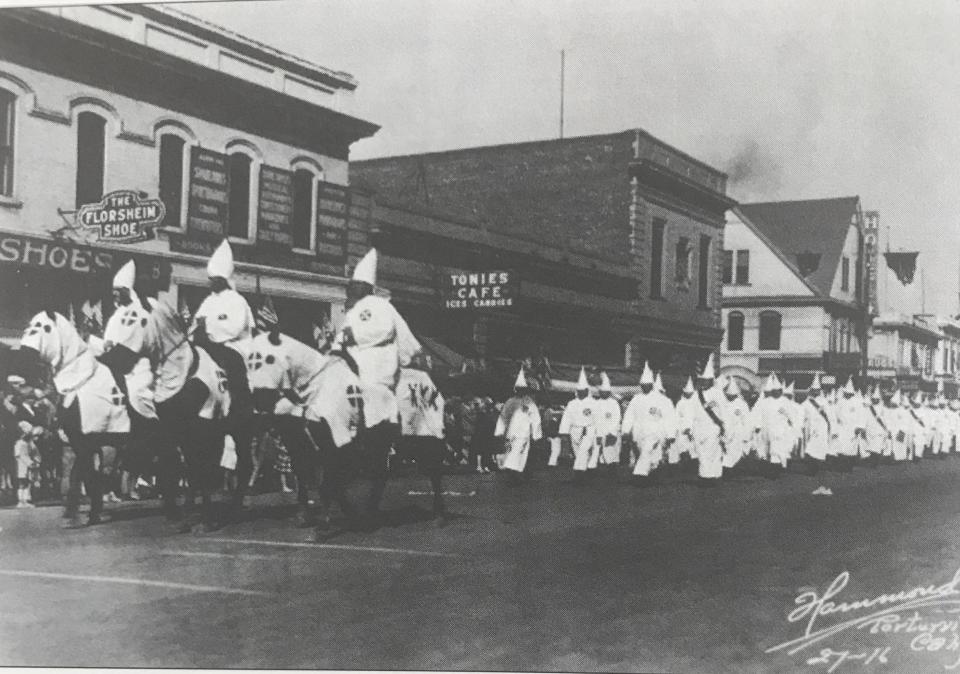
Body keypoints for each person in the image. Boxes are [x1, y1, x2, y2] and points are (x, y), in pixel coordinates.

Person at [333, 248, 421, 517]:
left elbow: (404, 343)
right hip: (350, 371)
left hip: (377, 376)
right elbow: (339, 341)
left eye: (356, 284)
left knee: (379, 402)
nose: (352, 288)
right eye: (351, 284)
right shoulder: (350, 312)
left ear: (367, 286)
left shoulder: (385, 307)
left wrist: (401, 358)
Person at [396, 356, 447, 519]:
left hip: (408, 427)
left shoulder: (399, 376)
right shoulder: (423, 377)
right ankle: (438, 501)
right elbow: (437, 400)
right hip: (423, 428)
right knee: (434, 470)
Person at [621, 361, 676, 484]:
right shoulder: (636, 399)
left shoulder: (663, 400)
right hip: (639, 432)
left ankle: (639, 477)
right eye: (643, 384)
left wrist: (671, 433)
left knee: (647, 450)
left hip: (655, 431)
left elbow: (670, 417)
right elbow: (629, 415)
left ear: (651, 385)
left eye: (647, 384)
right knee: (648, 454)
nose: (644, 386)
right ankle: (652, 471)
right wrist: (625, 430)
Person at [494, 368, 543, 485]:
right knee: (514, 453)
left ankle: (516, 474)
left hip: (522, 434)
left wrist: (536, 434)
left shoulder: (528, 402)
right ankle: (514, 475)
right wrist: (500, 431)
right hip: (513, 434)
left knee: (518, 453)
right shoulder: (511, 402)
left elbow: (535, 419)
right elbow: (503, 417)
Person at [750, 373, 794, 476]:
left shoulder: (785, 402)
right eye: (774, 391)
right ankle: (769, 469)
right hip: (766, 430)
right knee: (766, 450)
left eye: (778, 391)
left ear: (781, 391)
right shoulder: (765, 402)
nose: (776, 393)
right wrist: (758, 426)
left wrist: (790, 427)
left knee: (776, 450)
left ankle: (775, 471)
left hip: (780, 431)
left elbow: (792, 417)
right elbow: (759, 415)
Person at [558, 367, 595, 482]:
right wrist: (564, 432)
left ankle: (578, 474)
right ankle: (586, 470)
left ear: (587, 391)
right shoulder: (572, 403)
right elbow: (566, 418)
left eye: (583, 391)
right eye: (579, 391)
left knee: (583, 450)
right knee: (578, 451)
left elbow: (597, 418)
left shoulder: (593, 403)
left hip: (589, 429)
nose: (581, 393)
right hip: (575, 430)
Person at [693, 355, 724, 484]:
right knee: (701, 452)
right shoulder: (697, 394)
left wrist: (723, 426)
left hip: (712, 426)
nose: (704, 382)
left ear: (711, 380)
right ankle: (712, 474)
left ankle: (707, 477)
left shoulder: (718, 394)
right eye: (703, 380)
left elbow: (723, 412)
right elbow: (692, 411)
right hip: (699, 427)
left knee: (711, 452)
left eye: (707, 380)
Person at [593, 372, 622, 472]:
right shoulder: (596, 403)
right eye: (601, 392)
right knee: (599, 453)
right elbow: (595, 419)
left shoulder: (614, 404)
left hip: (611, 432)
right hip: (599, 432)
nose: (603, 393)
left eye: (605, 392)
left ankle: (612, 471)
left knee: (611, 452)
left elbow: (617, 419)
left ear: (609, 393)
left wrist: (612, 432)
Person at [14, 421, 40, 508]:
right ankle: (21, 501)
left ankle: (26, 499)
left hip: (27, 466)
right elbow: (21, 455)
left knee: (28, 483)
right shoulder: (20, 444)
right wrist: (30, 463)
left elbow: (35, 453)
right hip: (22, 466)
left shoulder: (29, 443)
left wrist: (35, 461)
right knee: (23, 483)